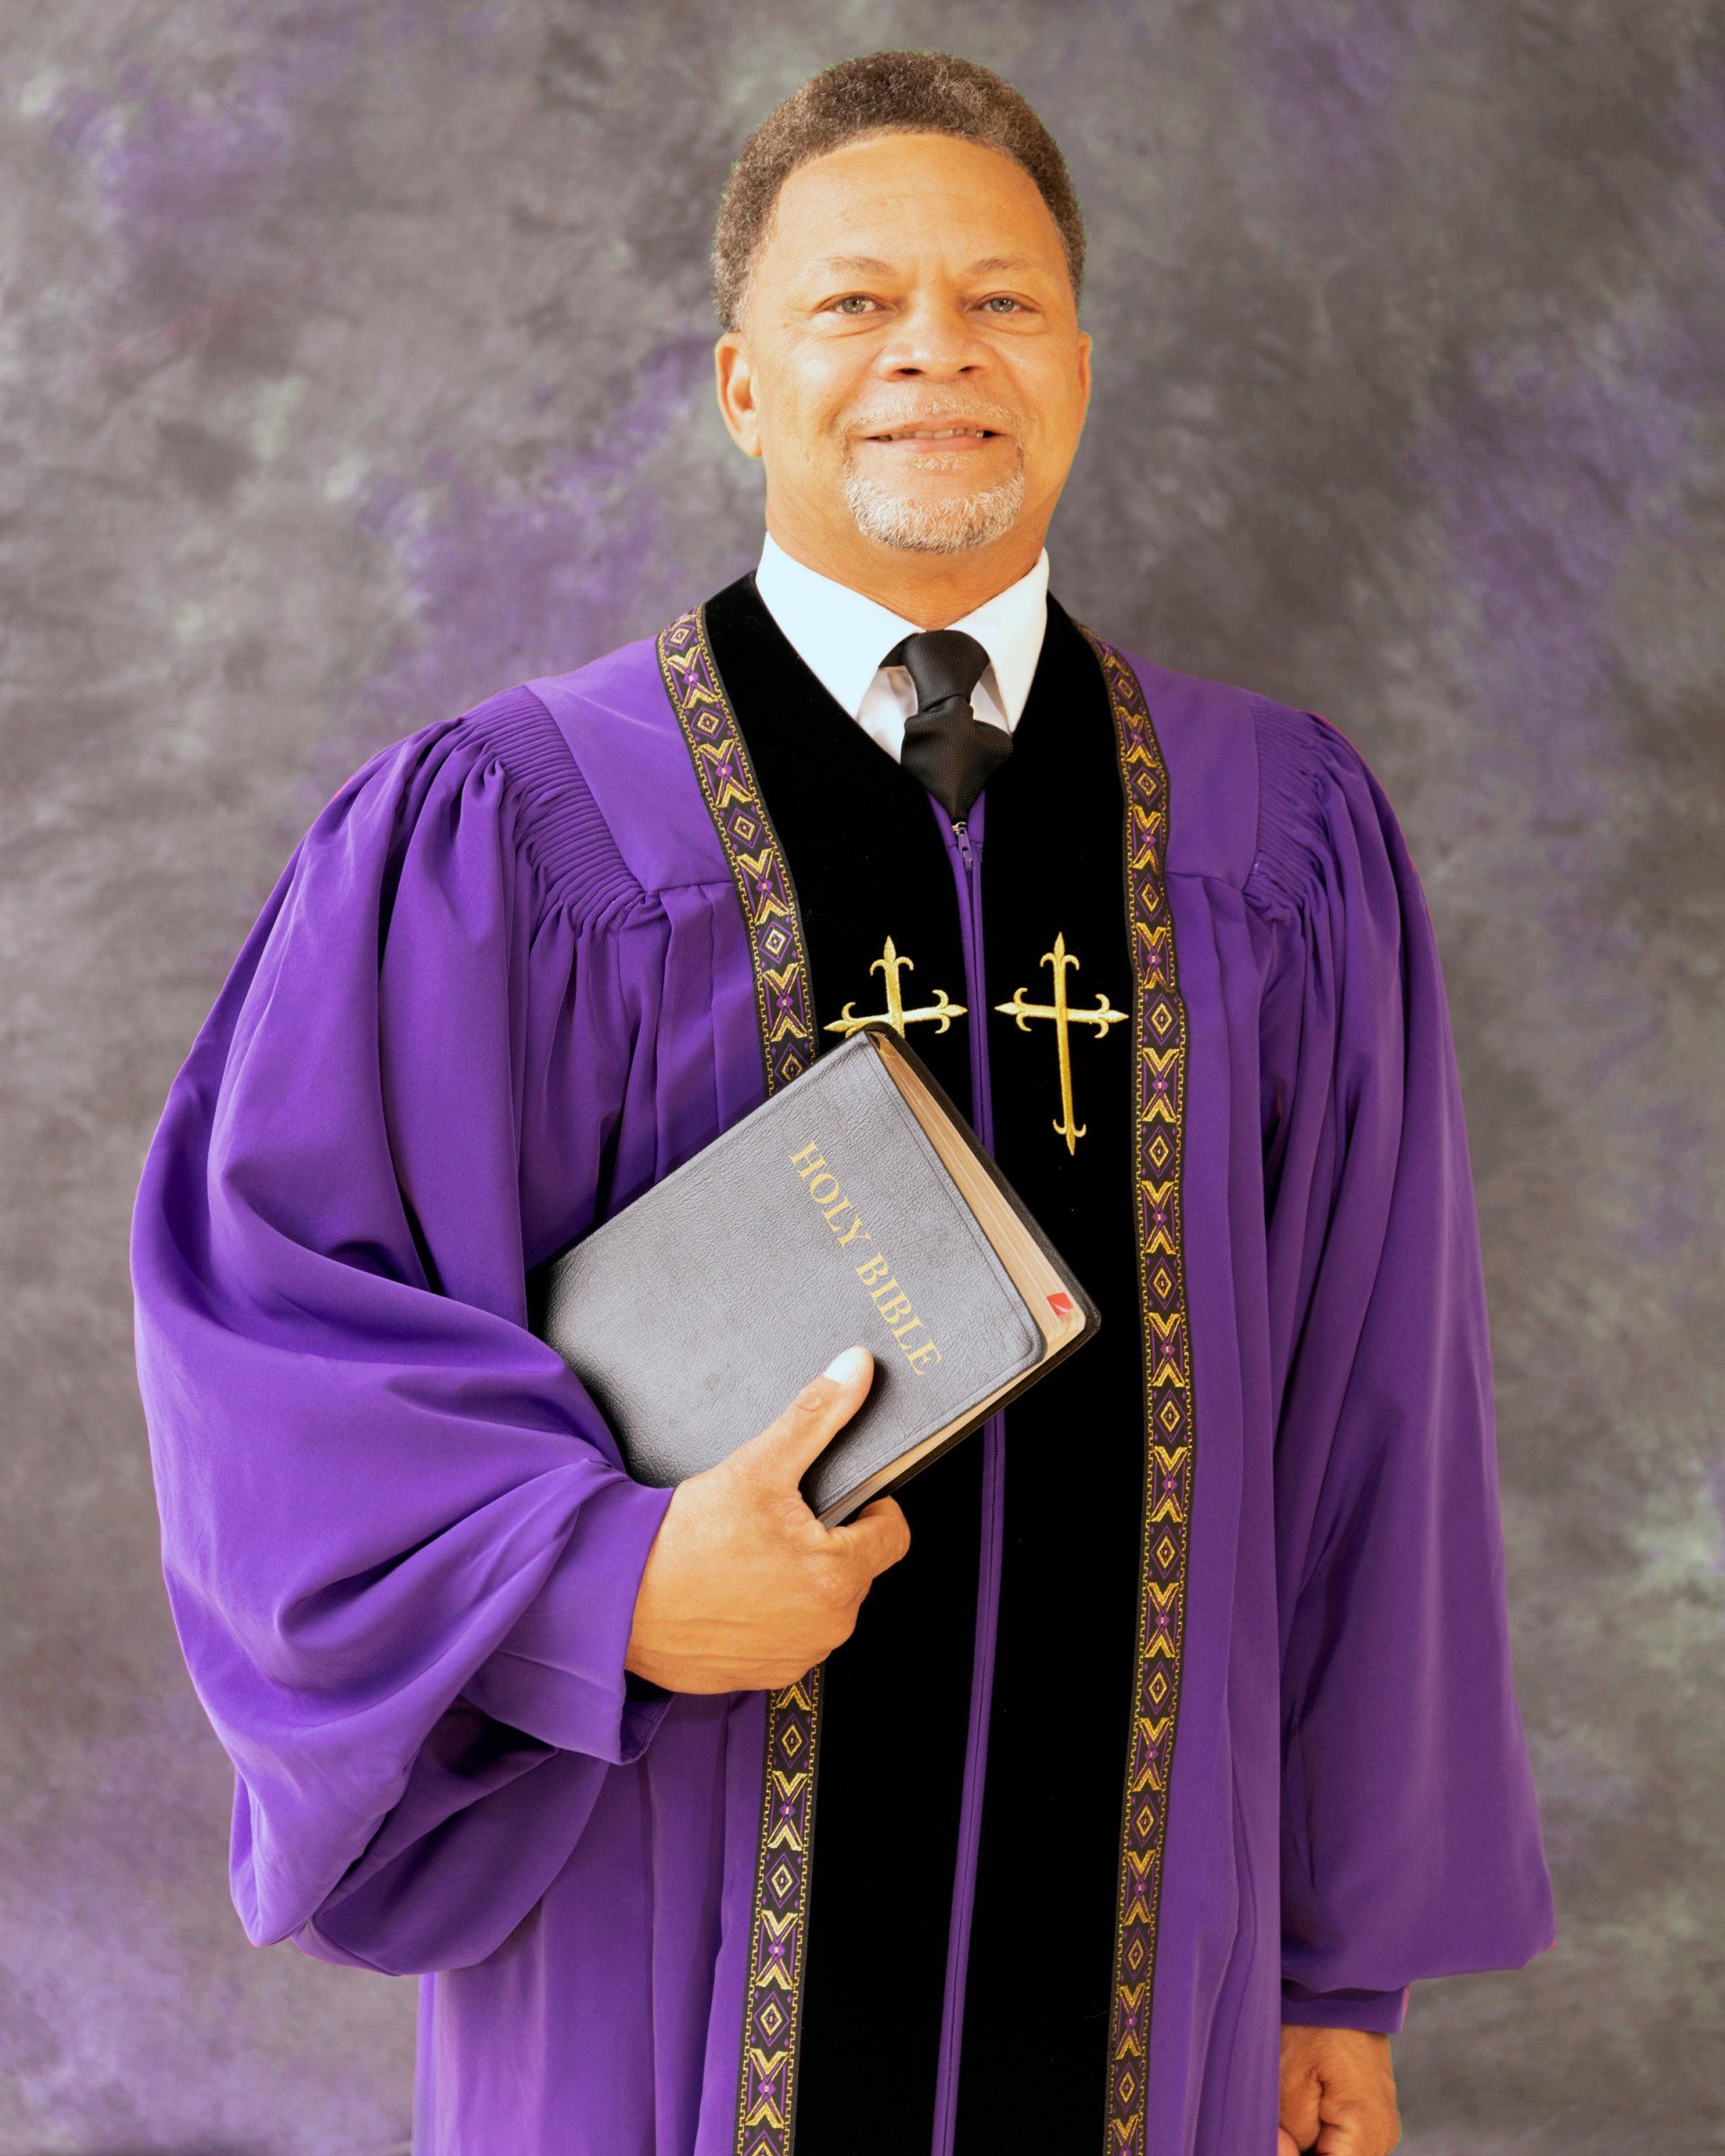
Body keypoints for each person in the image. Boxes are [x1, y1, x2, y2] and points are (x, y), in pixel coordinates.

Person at [129, 48, 1557, 2156]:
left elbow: (1371, 1420)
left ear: (1078, 363)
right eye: (854, 301)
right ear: (737, 378)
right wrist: (594, 1585)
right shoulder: (513, 838)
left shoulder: (1276, 842)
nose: (933, 354)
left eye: (999, 301)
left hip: (1160, 1968)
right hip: (665, 1943)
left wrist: (1336, 1971)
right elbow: (272, 1333)